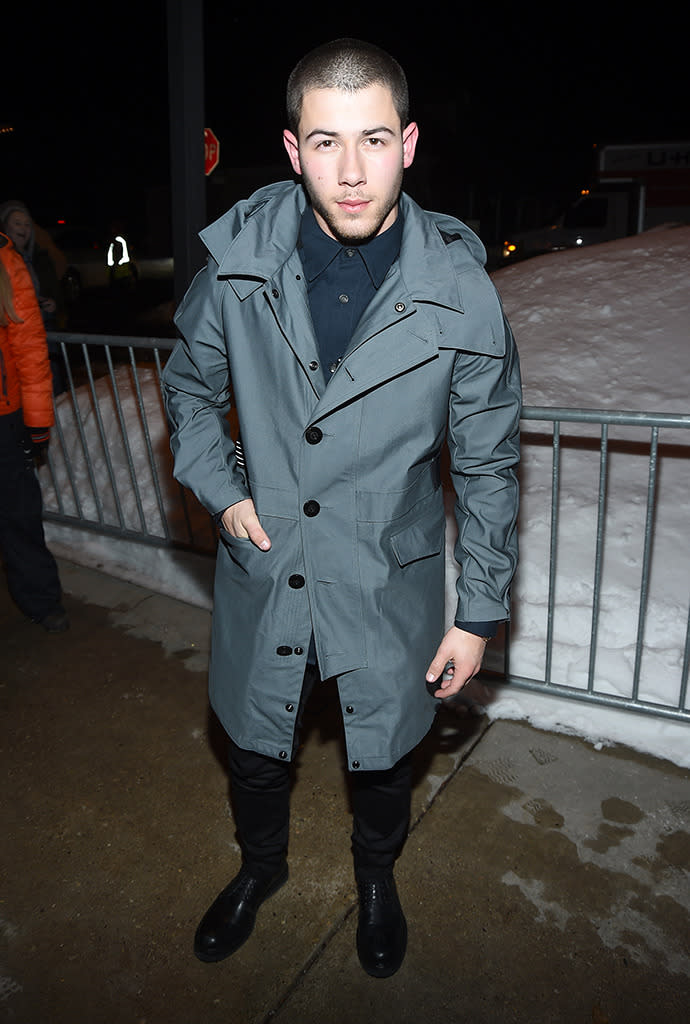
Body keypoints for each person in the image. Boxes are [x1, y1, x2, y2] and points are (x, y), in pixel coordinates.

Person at [162, 38, 521, 978]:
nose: (351, 172)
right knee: (253, 751)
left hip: (383, 578)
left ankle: (375, 880)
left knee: (383, 759)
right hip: (268, 562)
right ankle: (261, 870)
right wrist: (224, 487)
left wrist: (479, 612)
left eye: (372, 140)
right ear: (291, 150)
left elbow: (486, 461)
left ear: (407, 142)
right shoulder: (237, 267)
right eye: (325, 143)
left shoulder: (459, 294)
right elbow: (187, 391)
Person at [0, 231, 69, 632]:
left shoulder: (7, 262)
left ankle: (41, 601)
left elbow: (28, 347)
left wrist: (37, 420)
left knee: (19, 515)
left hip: (5, 420)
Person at [0, 200, 66, 393]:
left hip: (44, 333)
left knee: (50, 388)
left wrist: (53, 304)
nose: (24, 228)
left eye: (27, 224)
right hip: (17, 340)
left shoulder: (38, 257)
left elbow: (55, 291)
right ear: (5, 226)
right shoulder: (5, 261)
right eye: (17, 223)